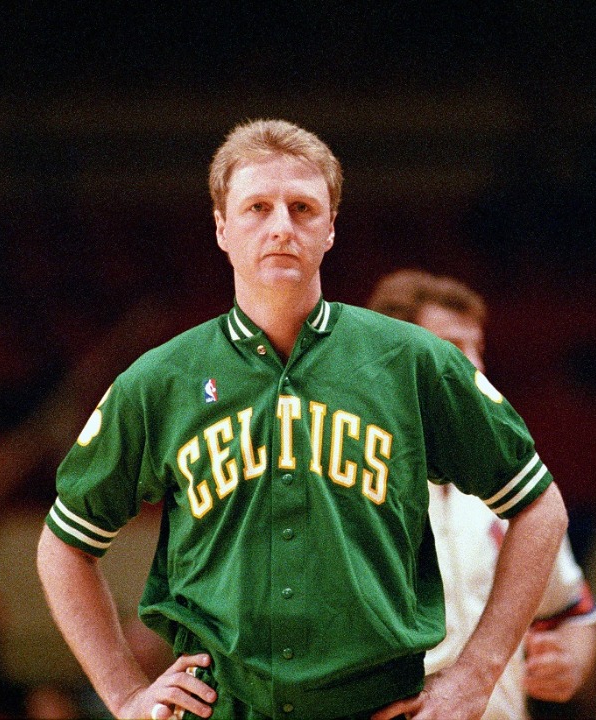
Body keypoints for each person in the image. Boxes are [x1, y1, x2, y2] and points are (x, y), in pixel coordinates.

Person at [35, 119, 568, 720]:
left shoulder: (414, 363)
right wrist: (126, 695)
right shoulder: (159, 381)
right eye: (257, 207)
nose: (281, 227)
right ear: (221, 227)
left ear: (331, 228)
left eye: (303, 208)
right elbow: (64, 545)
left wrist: (476, 675)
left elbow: (540, 507)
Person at [366, 268, 596, 720]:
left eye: (478, 348)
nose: (473, 366)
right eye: (453, 348)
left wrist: (569, 663)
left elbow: (573, 612)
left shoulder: (516, 484)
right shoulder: (343, 483)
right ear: (389, 359)